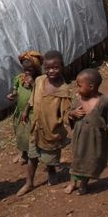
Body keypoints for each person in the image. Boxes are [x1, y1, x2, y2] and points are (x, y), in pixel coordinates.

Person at [17, 50, 72, 196]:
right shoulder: (40, 80)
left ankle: (51, 171)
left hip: (50, 130)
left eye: (55, 68)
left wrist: (71, 116)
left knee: (49, 157)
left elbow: (65, 113)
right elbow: (33, 96)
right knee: (32, 156)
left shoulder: (63, 91)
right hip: (36, 128)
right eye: (47, 68)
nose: (51, 71)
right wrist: (26, 109)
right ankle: (29, 183)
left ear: (62, 67)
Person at [65, 68, 108, 195]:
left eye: (79, 86)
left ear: (91, 86)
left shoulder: (105, 101)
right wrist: (72, 113)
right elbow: (69, 114)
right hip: (80, 138)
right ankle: (72, 183)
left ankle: (83, 184)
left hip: (96, 139)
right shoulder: (78, 100)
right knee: (77, 158)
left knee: (90, 160)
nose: (77, 89)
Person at [7, 51, 44, 165]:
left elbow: (37, 95)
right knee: (20, 133)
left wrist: (33, 84)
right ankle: (22, 153)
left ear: (37, 68)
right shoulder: (19, 78)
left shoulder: (40, 80)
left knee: (29, 133)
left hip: (32, 112)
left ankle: (30, 154)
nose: (27, 72)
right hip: (19, 111)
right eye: (25, 69)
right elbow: (15, 91)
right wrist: (12, 95)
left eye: (30, 69)